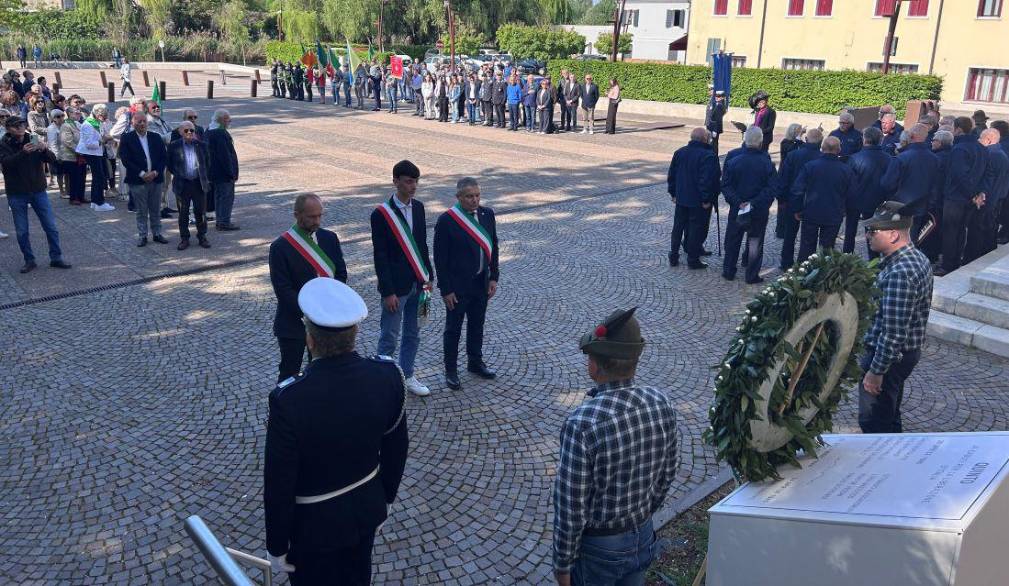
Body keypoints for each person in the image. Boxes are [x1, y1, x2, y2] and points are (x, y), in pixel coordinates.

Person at [264, 277, 408, 586]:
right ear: (355, 333)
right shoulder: (389, 377)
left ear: (310, 340)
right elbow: (397, 447)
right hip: (367, 511)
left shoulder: (288, 401)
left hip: (312, 529)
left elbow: (280, 482)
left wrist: (277, 545)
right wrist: (386, 498)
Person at [553, 307, 677, 586]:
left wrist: (562, 565)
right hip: (643, 534)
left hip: (599, 550)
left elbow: (571, 508)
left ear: (595, 366)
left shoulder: (582, 423)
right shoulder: (662, 403)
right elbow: (666, 477)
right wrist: (642, 517)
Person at [858, 201, 932, 434]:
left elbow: (893, 332)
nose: (868, 235)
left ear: (892, 235)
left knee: (874, 422)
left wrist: (875, 372)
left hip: (888, 359)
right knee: (890, 414)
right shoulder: (913, 258)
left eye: (873, 231)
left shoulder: (900, 272)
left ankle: (879, 467)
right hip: (901, 356)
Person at [370, 160, 434, 397]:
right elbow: (380, 255)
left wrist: (429, 275)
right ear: (395, 181)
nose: (413, 186)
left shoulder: (418, 207)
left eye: (416, 181)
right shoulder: (380, 214)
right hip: (396, 287)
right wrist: (387, 291)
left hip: (420, 282)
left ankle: (407, 375)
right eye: (408, 181)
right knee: (389, 335)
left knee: (413, 333)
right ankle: (383, 379)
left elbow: (422, 244)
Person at [269, 193, 348, 382]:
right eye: (312, 217)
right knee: (290, 373)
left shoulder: (329, 238)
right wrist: (311, 310)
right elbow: (283, 290)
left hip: (326, 321)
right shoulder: (280, 247)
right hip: (293, 323)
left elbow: (341, 273)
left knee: (324, 372)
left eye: (320, 215)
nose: (317, 221)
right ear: (297, 215)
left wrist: (328, 305)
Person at [433, 177, 499, 390]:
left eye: (478, 195)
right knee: (453, 329)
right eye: (469, 196)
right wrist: (446, 289)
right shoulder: (447, 221)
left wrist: (493, 277)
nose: (474, 200)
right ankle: (450, 370)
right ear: (459, 197)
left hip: (481, 282)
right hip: (457, 287)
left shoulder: (487, 215)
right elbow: (440, 260)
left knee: (477, 325)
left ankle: (475, 362)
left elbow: (493, 247)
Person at [0, 116, 71, 273]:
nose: (20, 127)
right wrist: (23, 153)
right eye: (16, 125)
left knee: (51, 226)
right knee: (22, 230)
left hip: (38, 190)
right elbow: (6, 164)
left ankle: (56, 257)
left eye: (22, 124)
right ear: (8, 129)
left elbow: (52, 160)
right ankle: (29, 260)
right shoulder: (3, 144)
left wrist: (44, 149)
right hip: (17, 193)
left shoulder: (32, 138)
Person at [721, 127, 776, 283]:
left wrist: (738, 202)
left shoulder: (733, 160)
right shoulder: (766, 162)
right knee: (755, 242)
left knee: (733, 239)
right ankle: (751, 275)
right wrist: (754, 203)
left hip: (738, 207)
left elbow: (725, 185)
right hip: (757, 209)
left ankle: (728, 271)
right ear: (760, 142)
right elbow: (772, 188)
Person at [937, 117, 988, 276]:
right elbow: (983, 174)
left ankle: (948, 265)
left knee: (951, 232)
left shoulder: (959, 149)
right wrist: (978, 193)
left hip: (956, 197)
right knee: (960, 231)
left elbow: (960, 175)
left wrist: (973, 194)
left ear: (958, 129)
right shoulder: (981, 148)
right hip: (971, 197)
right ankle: (955, 260)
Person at [791, 136, 855, 262]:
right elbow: (852, 193)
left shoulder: (810, 166)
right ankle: (823, 278)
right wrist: (845, 210)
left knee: (806, 248)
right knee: (827, 250)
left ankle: (802, 276)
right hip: (833, 214)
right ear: (839, 150)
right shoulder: (846, 170)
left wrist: (797, 209)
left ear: (822, 148)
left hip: (811, 212)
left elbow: (797, 190)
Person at [668, 127, 721, 269]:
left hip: (682, 198)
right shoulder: (708, 156)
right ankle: (692, 259)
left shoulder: (679, 152)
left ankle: (673, 255)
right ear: (705, 139)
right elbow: (708, 180)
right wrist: (706, 199)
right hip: (697, 200)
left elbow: (671, 175)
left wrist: (673, 193)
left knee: (678, 227)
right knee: (696, 228)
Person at [880, 124, 940, 244]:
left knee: (895, 241)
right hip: (921, 206)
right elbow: (936, 184)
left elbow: (887, 183)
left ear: (911, 136)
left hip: (900, 206)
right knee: (911, 240)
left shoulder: (902, 158)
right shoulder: (934, 158)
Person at [775, 128, 823, 269]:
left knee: (790, 234)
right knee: (809, 237)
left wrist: (781, 199)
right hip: (813, 201)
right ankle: (806, 265)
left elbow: (783, 179)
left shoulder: (793, 155)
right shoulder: (821, 157)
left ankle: (786, 262)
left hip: (792, 199)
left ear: (806, 139)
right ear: (820, 142)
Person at [119, 111, 168, 247]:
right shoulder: (127, 138)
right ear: (132, 123)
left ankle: (157, 233)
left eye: (144, 121)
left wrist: (156, 172)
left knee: (155, 208)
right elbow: (126, 159)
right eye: (138, 122)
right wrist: (142, 174)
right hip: (138, 180)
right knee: (141, 210)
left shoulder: (155, 137)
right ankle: (143, 235)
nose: (141, 124)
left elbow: (163, 157)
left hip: (155, 179)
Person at [846, 127, 894, 255]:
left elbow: (848, 181)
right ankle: (874, 262)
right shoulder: (889, 159)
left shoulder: (854, 158)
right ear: (881, 140)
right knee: (873, 233)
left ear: (864, 139)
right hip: (877, 200)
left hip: (854, 200)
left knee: (850, 231)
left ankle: (847, 257)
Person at [167, 121, 213, 250]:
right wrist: (179, 174)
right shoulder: (174, 146)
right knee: (183, 213)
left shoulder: (202, 145)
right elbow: (170, 165)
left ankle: (202, 236)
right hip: (183, 184)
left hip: (198, 183)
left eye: (192, 130)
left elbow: (207, 163)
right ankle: (184, 238)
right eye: (186, 130)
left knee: (200, 212)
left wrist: (203, 176)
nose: (189, 133)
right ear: (181, 132)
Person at [965, 129, 1009, 263]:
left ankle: (973, 258)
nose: (978, 141)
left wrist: (980, 196)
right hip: (996, 198)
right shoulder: (1000, 153)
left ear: (988, 140)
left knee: (978, 230)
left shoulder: (990, 154)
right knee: (989, 229)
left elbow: (986, 179)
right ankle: (985, 254)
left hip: (986, 200)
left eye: (981, 138)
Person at [206, 109, 240, 231]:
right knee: (226, 197)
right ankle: (224, 221)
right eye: (227, 118)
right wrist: (232, 173)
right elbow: (225, 156)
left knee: (218, 196)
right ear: (221, 120)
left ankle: (220, 221)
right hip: (223, 173)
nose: (229, 120)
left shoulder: (209, 130)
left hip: (213, 172)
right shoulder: (220, 133)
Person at [78, 103, 115, 212]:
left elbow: (100, 136)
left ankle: (95, 202)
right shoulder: (88, 124)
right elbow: (89, 143)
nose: (105, 118)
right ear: (98, 114)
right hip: (91, 153)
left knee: (98, 177)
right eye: (104, 116)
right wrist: (102, 141)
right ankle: (99, 202)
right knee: (99, 177)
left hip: (96, 152)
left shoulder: (96, 122)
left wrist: (106, 140)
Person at [705, 89, 727, 156]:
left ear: (722, 97)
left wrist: (715, 130)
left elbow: (718, 119)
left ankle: (713, 156)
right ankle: (712, 155)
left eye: (719, 97)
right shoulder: (716, 103)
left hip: (714, 127)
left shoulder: (720, 105)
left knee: (713, 143)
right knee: (711, 143)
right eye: (716, 96)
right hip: (710, 125)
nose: (717, 98)